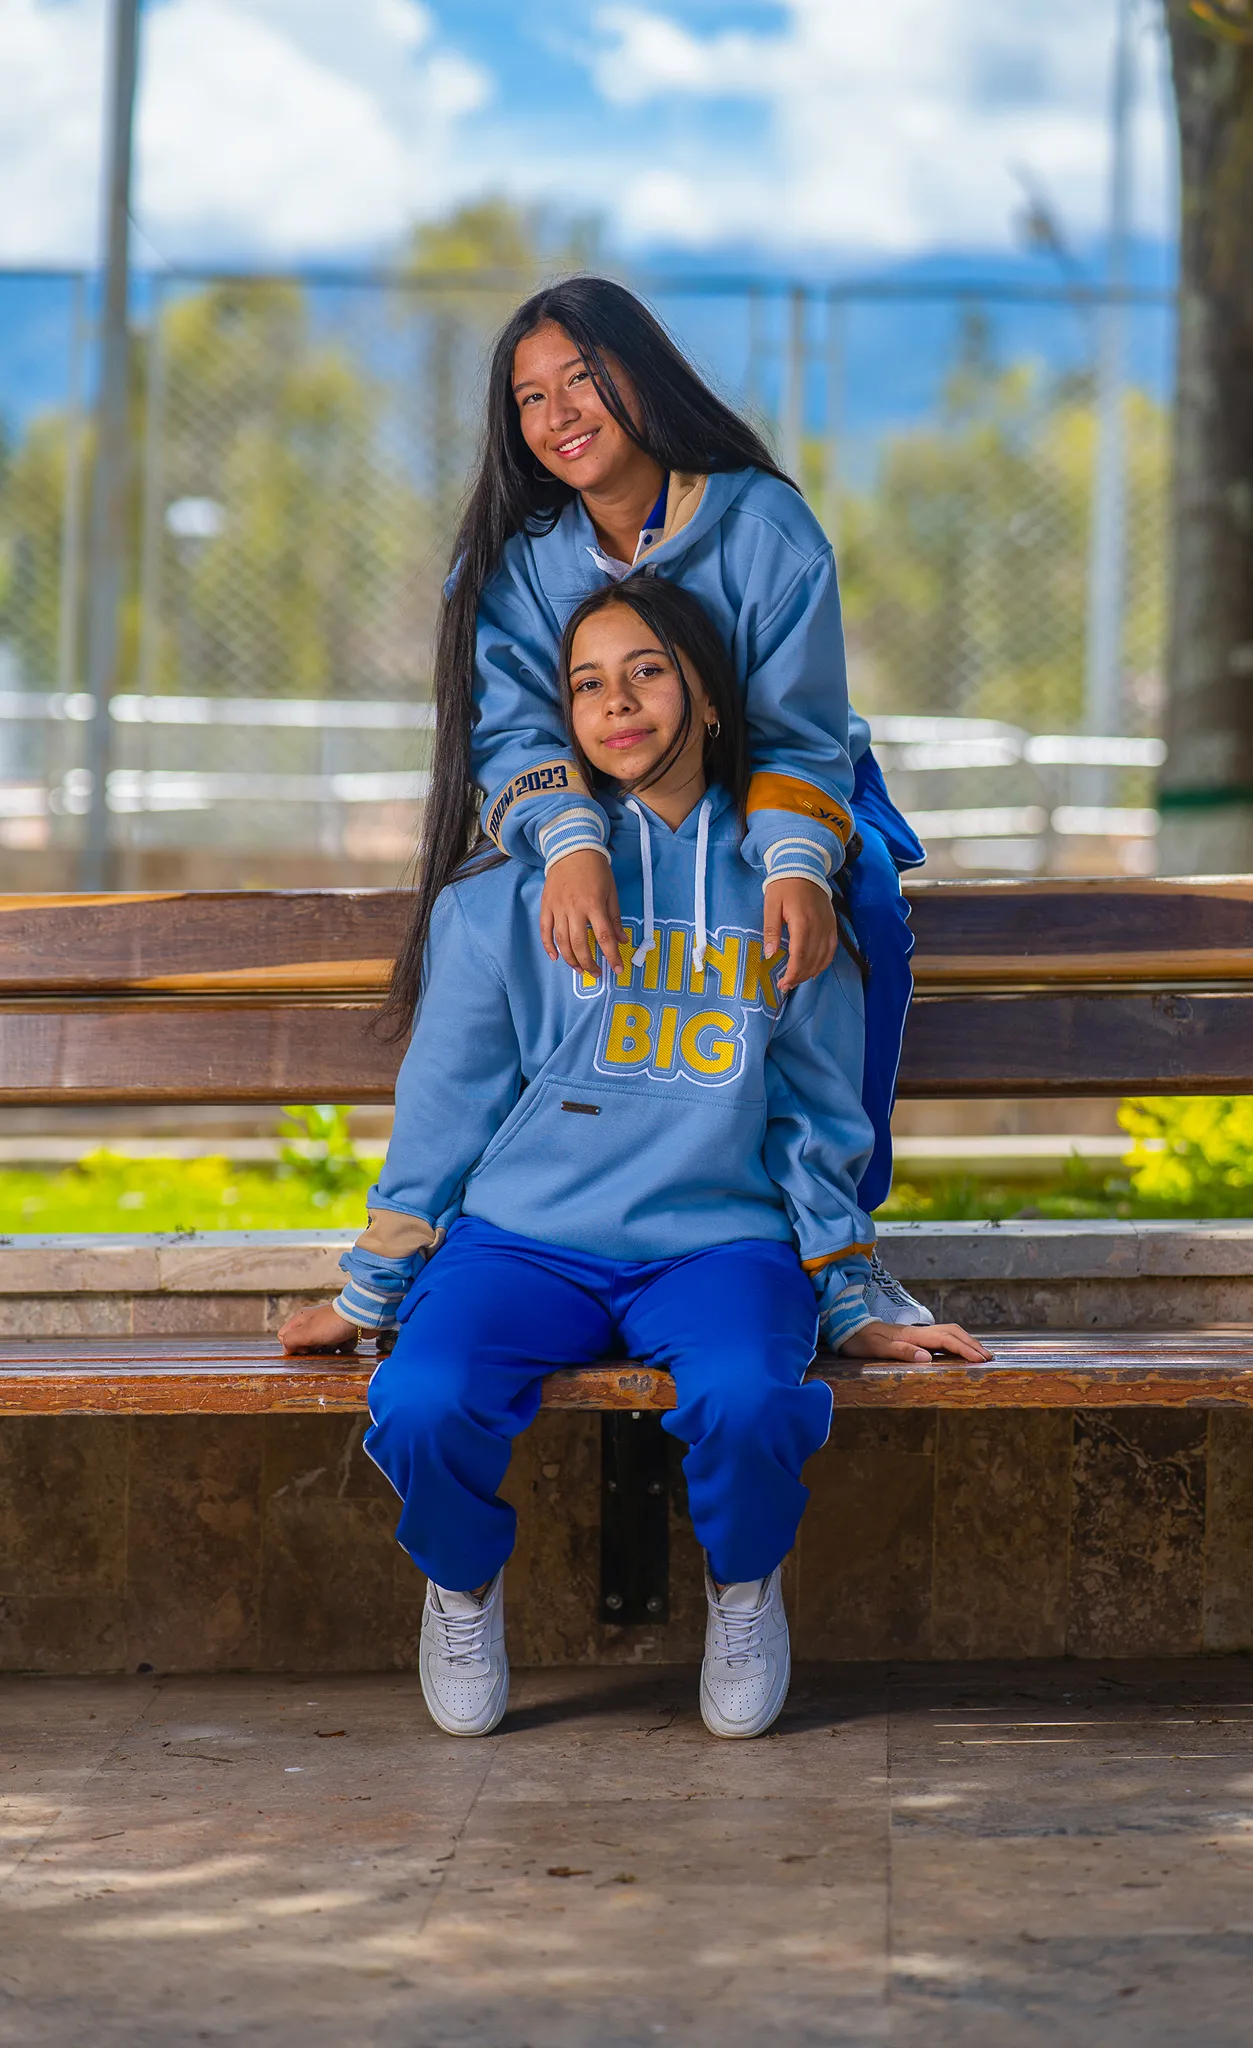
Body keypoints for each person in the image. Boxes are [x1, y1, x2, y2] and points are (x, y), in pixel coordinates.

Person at [281, 578, 987, 1740]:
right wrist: (371, 1287)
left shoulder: (786, 887)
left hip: (717, 1241)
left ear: (708, 698)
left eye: (648, 670)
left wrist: (848, 1291)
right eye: (588, 683)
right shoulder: (502, 897)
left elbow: (817, 1113)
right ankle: (461, 1584)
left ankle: (745, 1586)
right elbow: (446, 1108)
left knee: (754, 1396)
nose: (616, 701)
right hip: (526, 1242)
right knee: (420, 1397)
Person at [382, 276, 924, 1316]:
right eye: (529, 398)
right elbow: (514, 731)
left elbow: (799, 727)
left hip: (774, 782)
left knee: (861, 919)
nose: (557, 414)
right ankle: (547, 1214)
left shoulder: (766, 527)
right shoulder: (520, 562)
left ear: (641, 374)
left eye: (580, 379)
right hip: (597, 803)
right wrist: (572, 842)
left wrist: (796, 866)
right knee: (508, 914)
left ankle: (841, 1252)